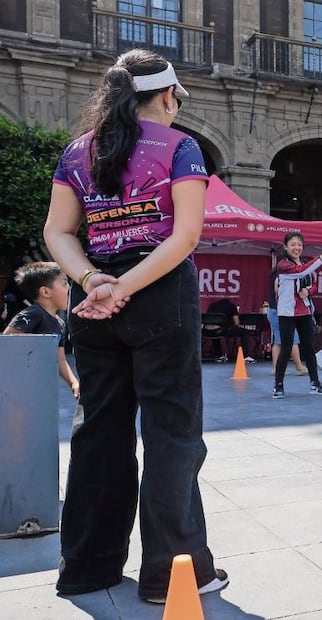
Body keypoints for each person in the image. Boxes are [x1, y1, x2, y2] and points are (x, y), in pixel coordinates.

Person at [41, 49, 227, 602]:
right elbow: (185, 236)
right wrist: (126, 286)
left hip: (93, 301)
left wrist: (95, 279)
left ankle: (86, 567)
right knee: (171, 433)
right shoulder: (181, 147)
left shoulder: (79, 151)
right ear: (167, 96)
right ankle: (172, 576)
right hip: (159, 294)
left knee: (98, 430)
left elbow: (58, 232)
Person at [272, 232, 322, 398]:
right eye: (293, 244)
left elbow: (313, 283)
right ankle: (278, 385)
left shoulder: (306, 262)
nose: (297, 248)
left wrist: (308, 290)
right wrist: (321, 258)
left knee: (308, 348)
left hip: (304, 311)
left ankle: (315, 383)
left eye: (299, 244)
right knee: (286, 348)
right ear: (285, 247)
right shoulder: (283, 265)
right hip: (287, 312)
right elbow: (300, 272)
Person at [3, 261, 79, 397]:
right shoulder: (33, 314)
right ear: (45, 291)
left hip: (41, 387)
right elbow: (7, 343)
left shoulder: (59, 323)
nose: (69, 288)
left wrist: (73, 383)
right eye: (64, 283)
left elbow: (60, 360)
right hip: (18, 389)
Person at [266, 269, 309, 377]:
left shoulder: (275, 274)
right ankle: (299, 367)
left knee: (278, 340)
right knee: (293, 339)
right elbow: (278, 290)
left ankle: (276, 368)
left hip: (273, 310)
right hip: (280, 311)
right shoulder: (281, 276)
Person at [204, 297, 254, 363]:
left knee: (216, 332)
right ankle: (245, 356)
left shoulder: (212, 305)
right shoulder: (231, 306)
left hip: (206, 331)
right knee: (245, 332)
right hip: (221, 330)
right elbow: (236, 323)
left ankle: (218, 355)